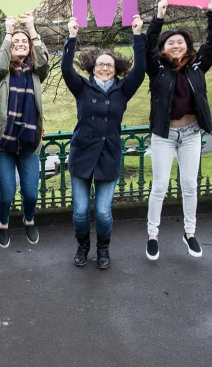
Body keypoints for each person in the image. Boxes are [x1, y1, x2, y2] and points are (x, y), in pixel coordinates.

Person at [62, 15, 146, 269]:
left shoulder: (123, 89)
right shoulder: (82, 88)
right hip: (82, 155)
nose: (105, 68)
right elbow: (66, 69)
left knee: (102, 213)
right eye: (100, 64)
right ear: (92, 67)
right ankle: (82, 245)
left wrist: (137, 35)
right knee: (79, 212)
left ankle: (103, 249)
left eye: (109, 64)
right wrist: (72, 37)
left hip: (108, 156)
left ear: (116, 68)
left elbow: (140, 69)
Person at [144, 0, 212, 261]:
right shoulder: (156, 67)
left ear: (187, 46)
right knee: (160, 186)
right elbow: (146, 48)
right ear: (163, 47)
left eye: (180, 42)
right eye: (170, 42)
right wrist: (158, 17)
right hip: (164, 136)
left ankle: (189, 233)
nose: (175, 45)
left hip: (190, 134)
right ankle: (152, 235)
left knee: (190, 185)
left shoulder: (197, 66)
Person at [0, 13, 49, 248]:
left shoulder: (35, 72)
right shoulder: (0, 72)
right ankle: (3, 224)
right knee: (7, 192)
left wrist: (31, 28)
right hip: (2, 143)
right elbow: (2, 63)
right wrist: (8, 32)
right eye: (16, 43)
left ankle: (29, 219)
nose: (20, 45)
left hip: (28, 143)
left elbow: (44, 61)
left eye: (24, 43)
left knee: (31, 194)